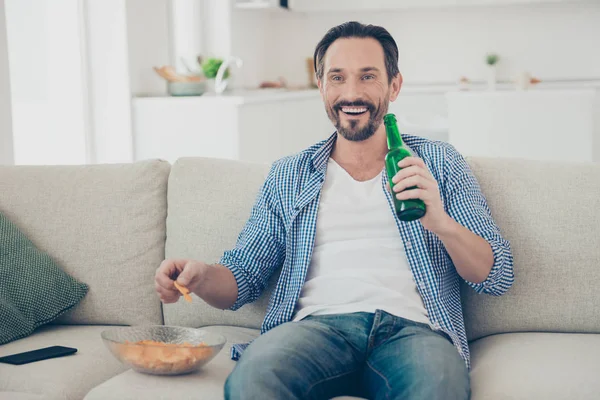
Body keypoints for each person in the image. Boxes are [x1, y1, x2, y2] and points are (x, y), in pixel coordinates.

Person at [155, 21, 514, 400]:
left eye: (368, 76)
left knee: (438, 388)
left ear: (394, 86)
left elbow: (497, 276)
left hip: (414, 333)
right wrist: (199, 276)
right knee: (251, 382)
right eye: (337, 78)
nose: (352, 93)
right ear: (321, 86)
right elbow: (244, 276)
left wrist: (440, 222)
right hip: (313, 331)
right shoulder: (290, 174)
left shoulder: (439, 163)